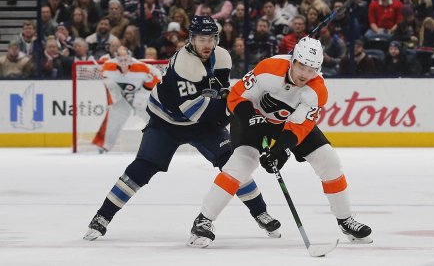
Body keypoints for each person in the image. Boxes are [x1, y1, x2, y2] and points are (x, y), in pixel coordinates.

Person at [83, 16, 282, 241]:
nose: (207, 44)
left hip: (201, 122)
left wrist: (232, 102)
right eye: (201, 39)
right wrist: (235, 111)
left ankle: (261, 212)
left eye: (211, 38)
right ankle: (102, 217)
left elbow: (220, 91)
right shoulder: (184, 64)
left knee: (233, 164)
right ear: (191, 40)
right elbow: (196, 111)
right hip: (166, 122)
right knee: (142, 169)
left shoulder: (222, 56)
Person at [187, 36, 373, 248]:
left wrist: (281, 150)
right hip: (251, 117)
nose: (304, 74)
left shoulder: (317, 90)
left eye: (311, 69)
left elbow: (299, 127)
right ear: (292, 60)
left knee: (328, 160)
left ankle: (345, 219)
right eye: (301, 66)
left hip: (286, 123)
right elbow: (236, 97)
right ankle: (203, 220)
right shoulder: (269, 68)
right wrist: (252, 121)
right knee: (241, 163)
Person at [90, 45, 159, 153]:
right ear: (116, 59)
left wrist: (140, 97)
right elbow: (104, 78)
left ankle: (162, 142)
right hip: (124, 97)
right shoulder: (108, 67)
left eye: (126, 59)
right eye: (120, 60)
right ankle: (104, 146)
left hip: (141, 95)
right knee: (114, 117)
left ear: (130, 57)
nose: (123, 62)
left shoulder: (142, 67)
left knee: (153, 118)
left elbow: (156, 77)